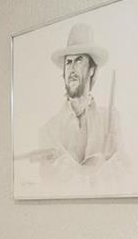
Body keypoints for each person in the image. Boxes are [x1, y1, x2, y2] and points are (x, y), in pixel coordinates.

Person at [38, 22, 119, 166]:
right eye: (68, 62)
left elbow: (126, 173)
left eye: (79, 60)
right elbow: (54, 182)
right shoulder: (49, 131)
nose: (72, 69)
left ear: (92, 70)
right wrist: (100, 162)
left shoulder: (111, 120)